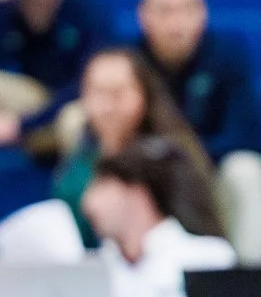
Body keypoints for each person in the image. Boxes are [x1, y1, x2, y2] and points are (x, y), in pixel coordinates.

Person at [135, 0, 261, 268]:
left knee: (248, 169)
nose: (176, 23)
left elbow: (245, 133)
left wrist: (181, 161)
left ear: (203, 13)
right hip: (145, 185)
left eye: (186, 9)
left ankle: (251, 289)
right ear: (143, 15)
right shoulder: (129, 64)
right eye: (164, 10)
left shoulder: (229, 57)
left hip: (209, 178)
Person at [37, 46, 225, 246]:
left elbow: (200, 236)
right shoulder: (76, 170)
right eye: (98, 93)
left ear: (143, 94)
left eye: (117, 93)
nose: (107, 106)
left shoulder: (169, 161)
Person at [80, 138, 238, 297]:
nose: (88, 203)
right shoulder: (94, 268)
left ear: (137, 192)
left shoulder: (207, 258)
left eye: (103, 186)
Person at [0, 0, 111, 148]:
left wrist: (23, 125)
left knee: (77, 119)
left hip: (72, 105)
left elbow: (87, 84)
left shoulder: (88, 13)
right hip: (26, 101)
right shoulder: (5, 11)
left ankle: (76, 183)